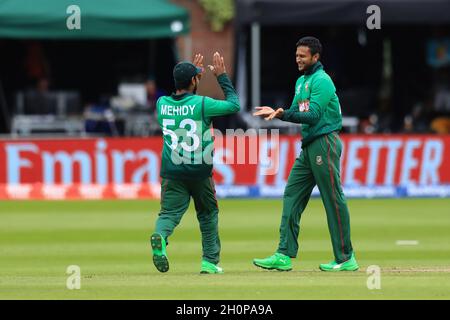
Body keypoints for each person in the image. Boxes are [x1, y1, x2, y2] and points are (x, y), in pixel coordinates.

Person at [253, 36, 359, 272]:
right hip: (309, 145)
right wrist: (279, 112)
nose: (298, 59)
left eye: (303, 56)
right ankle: (283, 254)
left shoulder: (322, 81)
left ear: (315, 57)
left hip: (325, 142)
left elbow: (313, 115)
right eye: (296, 55)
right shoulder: (301, 81)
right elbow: (293, 111)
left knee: (332, 198)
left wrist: (282, 114)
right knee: (292, 194)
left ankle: (345, 258)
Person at [150, 52, 240, 274]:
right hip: (200, 170)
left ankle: (160, 237)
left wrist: (194, 77)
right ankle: (209, 262)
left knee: (168, 214)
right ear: (193, 81)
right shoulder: (202, 104)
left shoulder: (161, 104)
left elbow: (185, 104)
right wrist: (222, 77)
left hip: (172, 171)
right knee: (208, 214)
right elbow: (234, 105)